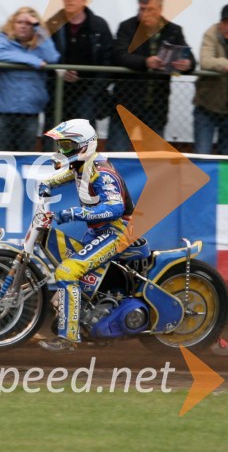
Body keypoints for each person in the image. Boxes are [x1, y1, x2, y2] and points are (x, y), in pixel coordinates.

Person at [37, 118, 134, 352]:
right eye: (60, 145)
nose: (62, 151)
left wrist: (74, 213)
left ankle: (69, 339)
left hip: (117, 232)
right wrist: (48, 183)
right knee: (76, 279)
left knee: (67, 271)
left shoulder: (102, 172)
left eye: (67, 146)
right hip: (99, 230)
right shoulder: (84, 164)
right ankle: (87, 323)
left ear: (85, 146)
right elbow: (71, 175)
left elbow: (115, 207)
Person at [108, 0, 195, 151]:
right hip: (127, 103)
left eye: (150, 10)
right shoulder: (127, 27)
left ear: (160, 10)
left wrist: (187, 64)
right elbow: (119, 55)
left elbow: (190, 58)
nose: (145, 14)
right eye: (142, 9)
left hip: (156, 106)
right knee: (117, 154)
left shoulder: (173, 30)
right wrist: (145, 62)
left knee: (153, 158)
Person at [0, 6, 60, 152]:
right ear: (12, 24)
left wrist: (40, 29)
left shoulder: (40, 45)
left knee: (25, 158)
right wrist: (34, 61)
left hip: (30, 113)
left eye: (29, 23)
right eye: (19, 22)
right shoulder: (2, 39)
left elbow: (52, 57)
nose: (23, 26)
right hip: (0, 112)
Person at [44, 0, 114, 129]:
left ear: (84, 0)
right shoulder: (52, 24)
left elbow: (108, 59)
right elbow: (43, 55)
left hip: (88, 94)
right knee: (54, 137)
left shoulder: (99, 25)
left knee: (83, 138)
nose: (70, 0)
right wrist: (59, 72)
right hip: (58, 93)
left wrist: (94, 90)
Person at [194, 3, 228, 155]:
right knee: (201, 155)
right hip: (206, 109)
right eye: (225, 22)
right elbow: (205, 61)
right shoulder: (211, 34)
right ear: (220, 23)